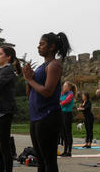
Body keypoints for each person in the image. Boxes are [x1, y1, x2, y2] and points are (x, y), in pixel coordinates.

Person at [23, 32, 71, 172]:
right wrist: (29, 79)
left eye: (42, 44)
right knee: (40, 161)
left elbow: (47, 91)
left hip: (49, 116)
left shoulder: (54, 65)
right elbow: (29, 94)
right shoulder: (40, 68)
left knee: (49, 160)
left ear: (52, 47)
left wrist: (30, 80)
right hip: (36, 117)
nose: (38, 46)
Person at [0, 45, 21, 172]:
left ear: (8, 57)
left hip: (4, 112)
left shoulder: (7, 70)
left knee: (4, 147)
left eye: (0, 54)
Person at [59, 81, 77, 157]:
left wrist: (60, 102)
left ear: (69, 88)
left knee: (68, 133)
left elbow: (65, 102)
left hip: (67, 114)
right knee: (63, 133)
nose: (63, 87)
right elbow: (59, 100)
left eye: (65, 86)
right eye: (63, 86)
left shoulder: (70, 94)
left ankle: (69, 151)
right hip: (62, 114)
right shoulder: (62, 94)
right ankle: (65, 150)